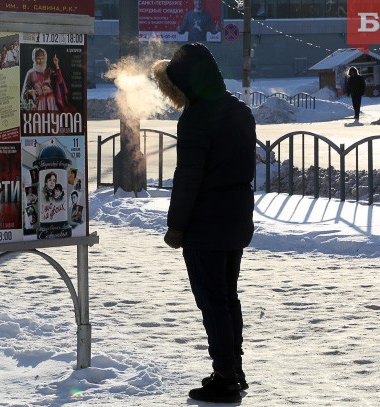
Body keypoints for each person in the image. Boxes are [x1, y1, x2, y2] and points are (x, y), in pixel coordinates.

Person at [152, 43, 256, 403]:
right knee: (227, 297)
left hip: (205, 224)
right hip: (237, 218)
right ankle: (234, 370)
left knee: (212, 302)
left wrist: (176, 227)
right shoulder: (240, 111)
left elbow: (188, 177)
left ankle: (225, 378)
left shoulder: (195, 119)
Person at [20, 47, 71, 112]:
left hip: (52, 103)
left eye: (43, 58)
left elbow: (60, 81)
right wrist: (29, 92)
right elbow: (23, 94)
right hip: (39, 104)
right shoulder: (30, 73)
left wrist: (57, 65)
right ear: (34, 59)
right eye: (38, 58)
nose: (41, 61)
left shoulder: (49, 71)